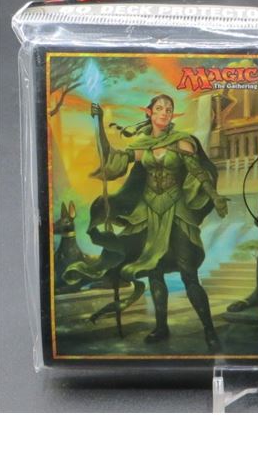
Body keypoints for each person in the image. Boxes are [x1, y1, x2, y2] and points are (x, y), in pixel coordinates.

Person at [64, 94, 228, 352]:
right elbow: (112, 159)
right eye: (159, 108)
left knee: (188, 273)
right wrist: (99, 125)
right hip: (147, 212)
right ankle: (161, 328)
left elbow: (198, 172)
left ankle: (209, 330)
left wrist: (215, 197)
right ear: (150, 112)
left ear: (172, 115)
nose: (164, 112)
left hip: (176, 211)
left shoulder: (181, 141)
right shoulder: (142, 146)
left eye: (169, 109)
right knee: (154, 271)